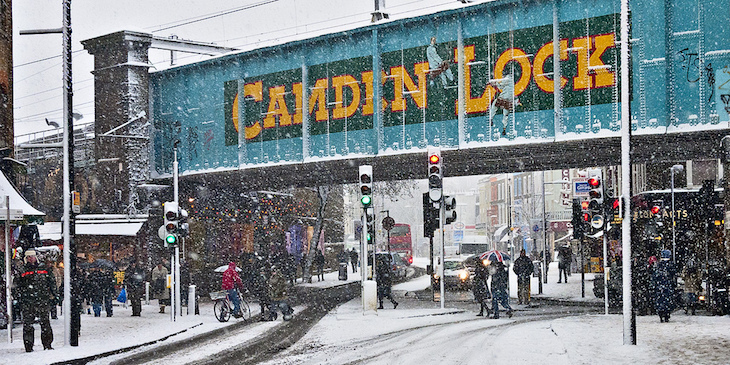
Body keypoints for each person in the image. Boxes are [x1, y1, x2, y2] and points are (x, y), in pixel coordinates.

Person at [17, 249, 55, 352]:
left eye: (32, 256)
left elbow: (51, 282)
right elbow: (18, 286)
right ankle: (29, 346)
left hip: (42, 300)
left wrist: (54, 295)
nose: (31, 258)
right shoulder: (22, 270)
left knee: (45, 323)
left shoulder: (44, 268)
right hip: (28, 302)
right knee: (28, 325)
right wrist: (21, 298)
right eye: (28, 257)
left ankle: (47, 344)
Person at [652, 250, 677, 322]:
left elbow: (655, 276)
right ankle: (666, 314)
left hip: (660, 287)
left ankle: (661, 314)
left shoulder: (659, 265)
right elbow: (673, 276)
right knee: (667, 301)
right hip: (668, 286)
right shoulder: (671, 265)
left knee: (660, 301)